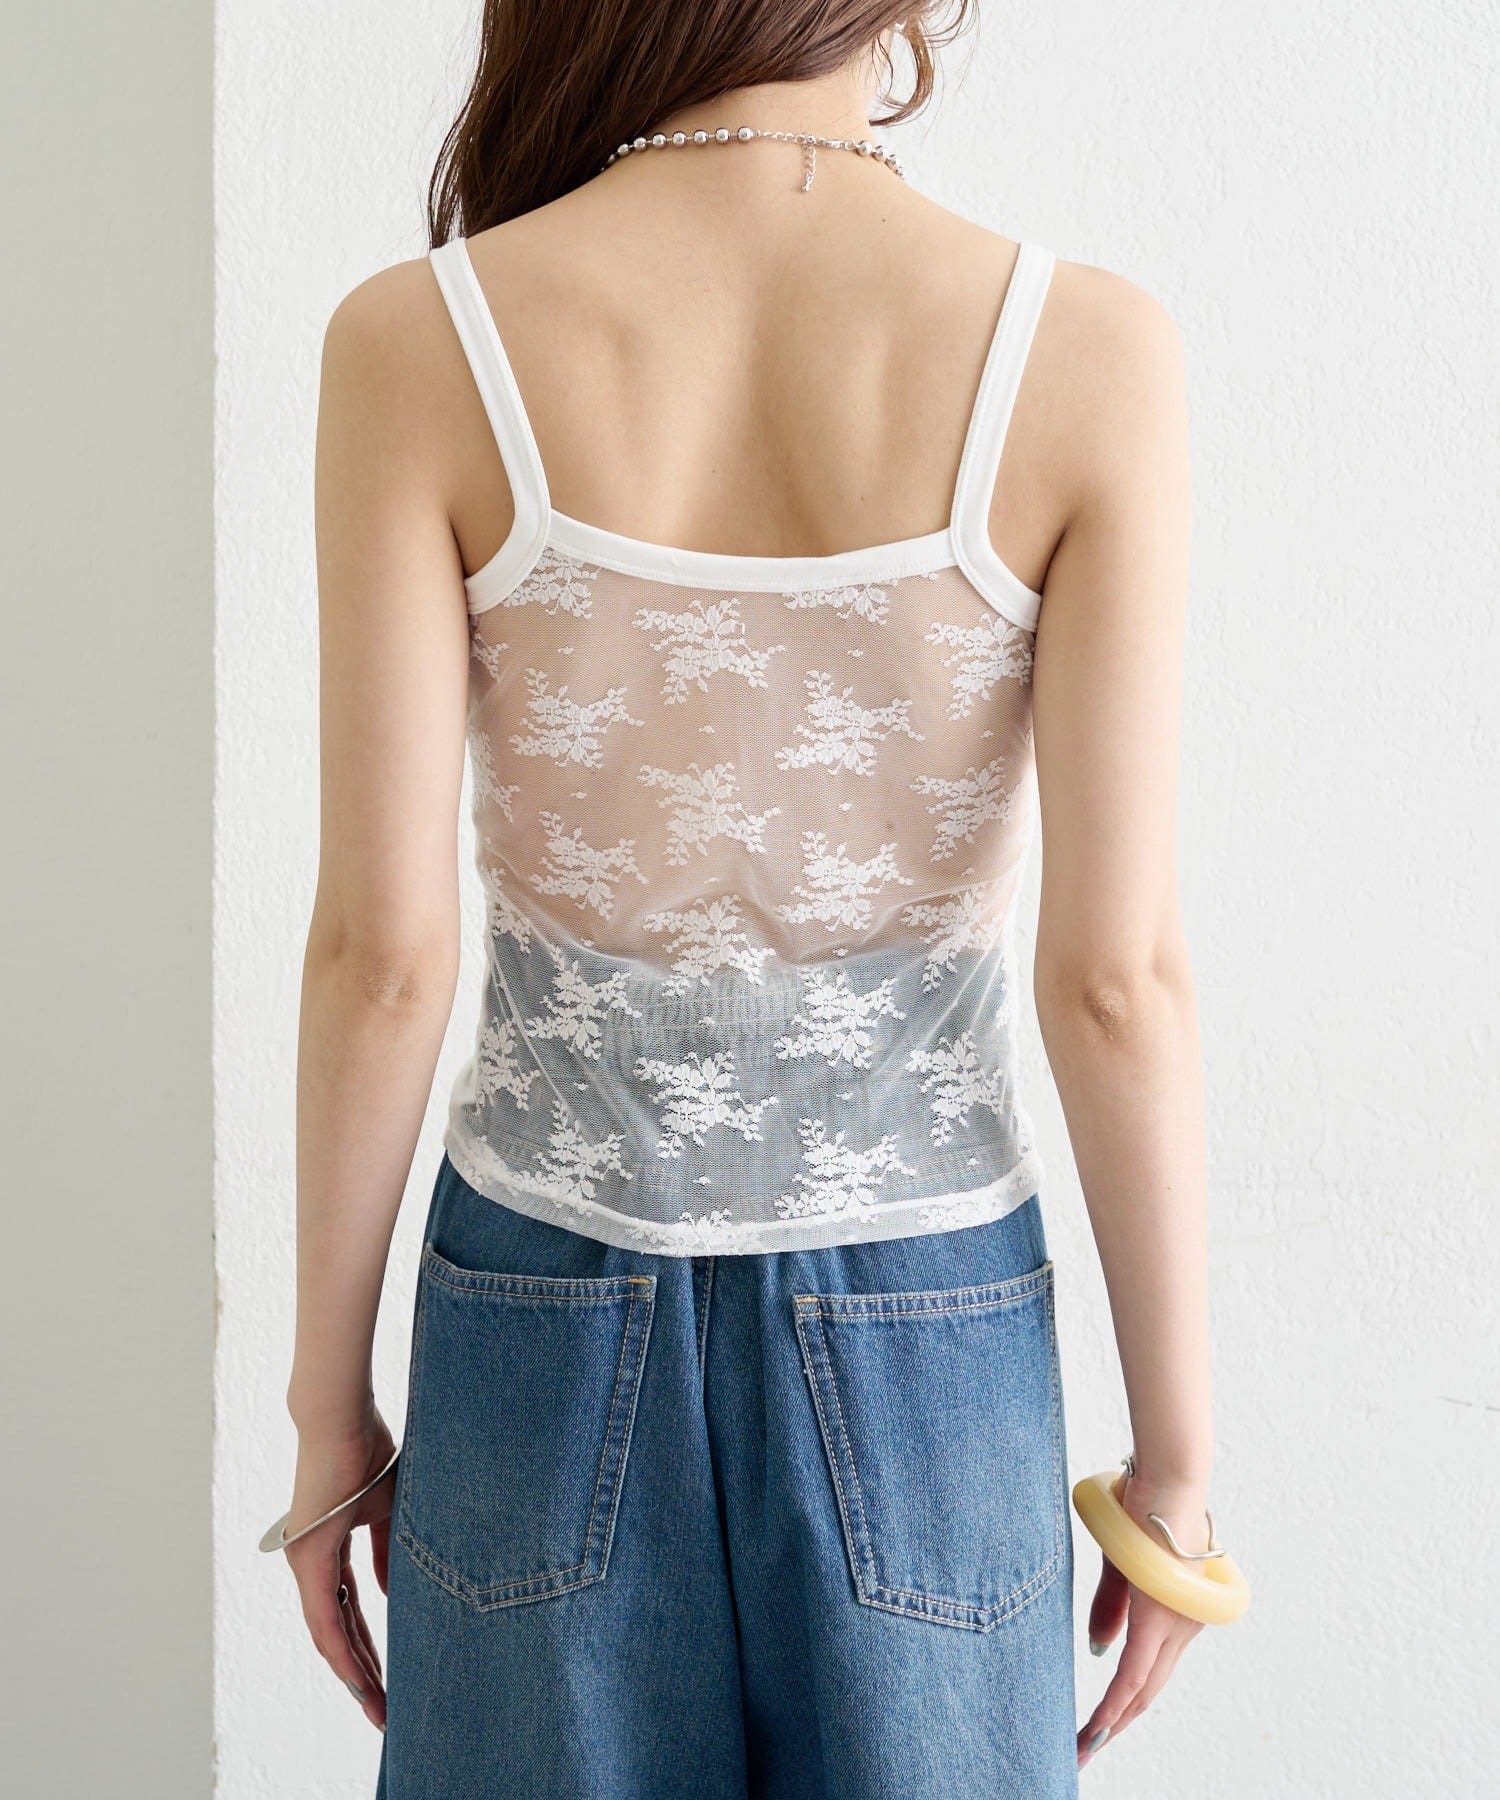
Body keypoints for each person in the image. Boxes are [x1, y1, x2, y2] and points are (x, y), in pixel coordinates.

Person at [274, 2, 1214, 1793]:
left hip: (538, 1298)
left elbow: (383, 957)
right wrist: (1176, 1461)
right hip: (930, 1308)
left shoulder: (422, 337)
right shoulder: (1085, 350)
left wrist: (330, 1423)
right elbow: (1117, 981)